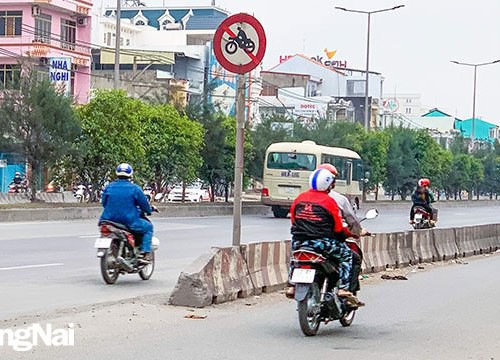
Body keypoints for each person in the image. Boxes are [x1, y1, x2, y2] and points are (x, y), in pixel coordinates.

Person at [286, 168, 363, 307]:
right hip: (323, 243)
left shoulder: (299, 199)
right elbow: (338, 228)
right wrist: (345, 234)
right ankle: (344, 288)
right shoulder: (329, 202)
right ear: (329, 184)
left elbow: (293, 220)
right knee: (347, 256)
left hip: (299, 241)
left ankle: (291, 285)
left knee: (295, 257)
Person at [318, 163, 368, 294]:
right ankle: (346, 291)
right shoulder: (336, 200)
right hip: (328, 243)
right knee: (352, 257)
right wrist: (354, 232)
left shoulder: (302, 198)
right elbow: (340, 226)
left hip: (304, 242)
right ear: (332, 182)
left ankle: (292, 285)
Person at [99, 163, 155, 262]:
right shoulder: (135, 189)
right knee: (148, 227)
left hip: (108, 220)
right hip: (129, 222)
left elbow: (104, 203)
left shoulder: (109, 187)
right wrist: (150, 210)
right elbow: (144, 206)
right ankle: (144, 253)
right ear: (130, 175)